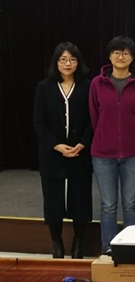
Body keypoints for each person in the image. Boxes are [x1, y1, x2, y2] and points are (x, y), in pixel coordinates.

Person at [89, 35, 135, 253]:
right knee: (108, 205)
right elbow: (94, 116)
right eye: (116, 52)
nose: (121, 57)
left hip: (133, 153)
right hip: (103, 154)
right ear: (109, 56)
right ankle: (108, 248)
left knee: (131, 203)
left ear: (132, 57)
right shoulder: (97, 83)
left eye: (126, 53)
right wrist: (105, 135)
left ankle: (131, 247)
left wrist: (132, 136)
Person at [34, 42, 93, 259]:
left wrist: (83, 143)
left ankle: (78, 245)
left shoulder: (87, 86)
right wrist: (56, 145)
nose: (68, 64)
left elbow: (93, 119)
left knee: (80, 199)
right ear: (56, 62)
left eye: (72, 59)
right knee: (53, 200)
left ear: (78, 62)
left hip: (80, 152)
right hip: (52, 154)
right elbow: (39, 122)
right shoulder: (44, 87)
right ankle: (57, 245)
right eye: (63, 59)